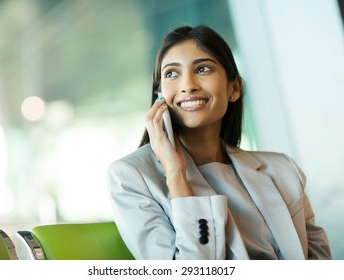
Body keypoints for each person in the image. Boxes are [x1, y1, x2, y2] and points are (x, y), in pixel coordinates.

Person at [107, 25, 332, 260]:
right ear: (159, 96)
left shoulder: (284, 171)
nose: (187, 85)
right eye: (172, 74)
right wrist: (175, 174)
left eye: (202, 69)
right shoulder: (130, 177)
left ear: (234, 88)